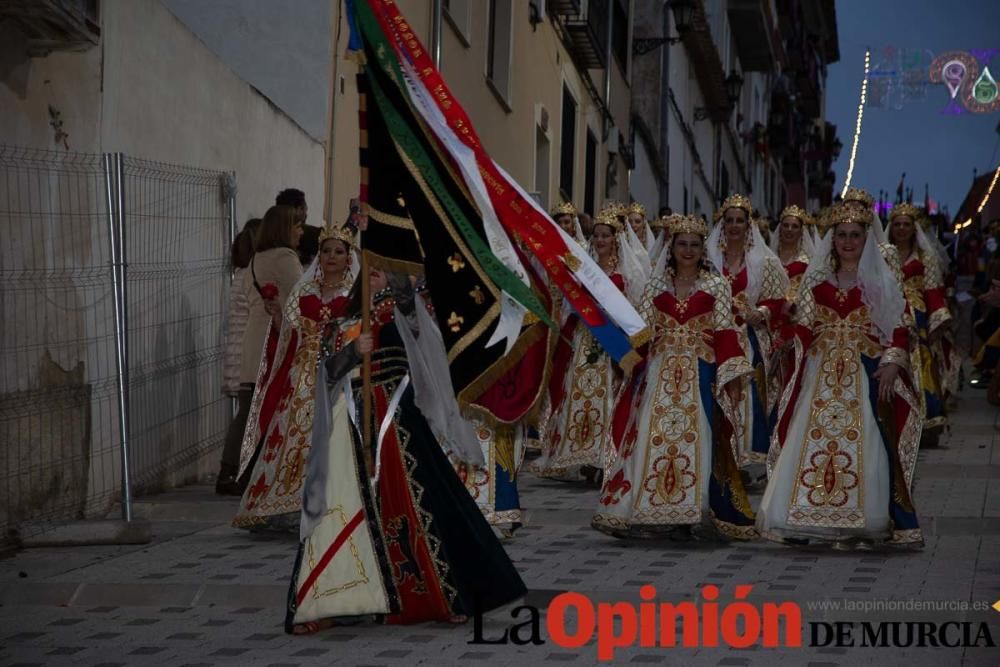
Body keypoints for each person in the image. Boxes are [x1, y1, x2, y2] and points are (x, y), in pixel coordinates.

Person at [287, 268, 526, 632]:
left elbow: (414, 322)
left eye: (383, 272)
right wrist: (353, 351)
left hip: (398, 423)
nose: (376, 278)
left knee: (421, 505)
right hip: (348, 428)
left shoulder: (400, 312)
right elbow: (327, 374)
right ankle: (329, 602)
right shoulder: (342, 323)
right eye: (371, 271)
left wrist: (398, 276)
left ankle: (440, 597)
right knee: (339, 510)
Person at [758, 206, 923, 550]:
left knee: (868, 441)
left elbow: (900, 328)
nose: (848, 242)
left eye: (855, 235)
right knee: (810, 438)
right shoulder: (816, 281)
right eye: (841, 235)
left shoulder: (879, 281)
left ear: (867, 239)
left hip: (865, 371)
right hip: (821, 374)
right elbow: (802, 326)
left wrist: (892, 362)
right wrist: (783, 340)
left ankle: (863, 519)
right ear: (832, 241)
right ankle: (807, 517)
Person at [592, 214, 757, 540]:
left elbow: (724, 332)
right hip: (660, 373)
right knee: (651, 434)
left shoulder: (716, 285)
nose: (688, 250)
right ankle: (647, 509)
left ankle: (688, 512)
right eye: (682, 244)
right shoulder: (656, 284)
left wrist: (732, 376)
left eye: (695, 244)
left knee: (697, 437)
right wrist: (625, 360)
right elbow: (642, 332)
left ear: (703, 249)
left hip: (699, 372)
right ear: (671, 247)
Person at [233, 223, 355, 530]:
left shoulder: (355, 293)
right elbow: (288, 333)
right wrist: (276, 315)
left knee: (333, 435)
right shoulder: (304, 290)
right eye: (325, 251)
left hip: (339, 374)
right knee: (292, 437)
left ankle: (334, 502)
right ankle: (283, 504)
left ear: (348, 258)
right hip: (301, 377)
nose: (331, 257)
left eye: (338, 252)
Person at [533, 205, 645, 483]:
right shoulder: (585, 265)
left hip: (613, 340)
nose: (600, 241)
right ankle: (582, 453)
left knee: (610, 393)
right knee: (579, 392)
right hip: (586, 337)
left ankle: (603, 457)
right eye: (597, 236)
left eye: (606, 236)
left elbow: (635, 306)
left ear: (615, 238)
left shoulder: (627, 270)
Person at [706, 194, 788, 474]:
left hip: (749, 337)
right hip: (716, 335)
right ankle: (719, 452)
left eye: (739, 220)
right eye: (729, 220)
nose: (734, 226)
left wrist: (761, 312)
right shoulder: (708, 258)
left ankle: (747, 456)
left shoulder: (764, 261)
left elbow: (778, 299)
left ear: (748, 225)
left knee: (749, 394)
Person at [230, 205, 305, 498]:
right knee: (270, 410)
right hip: (275, 340)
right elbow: (302, 296)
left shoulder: (255, 259)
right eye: (297, 226)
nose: (301, 231)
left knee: (251, 408)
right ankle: (259, 473)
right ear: (284, 229)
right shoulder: (284, 258)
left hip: (255, 338)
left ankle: (237, 470)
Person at [886, 203, 950, 435]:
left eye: (906, 225)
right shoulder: (883, 255)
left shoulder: (926, 257)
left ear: (914, 229)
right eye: (897, 225)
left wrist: (937, 321)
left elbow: (933, 289)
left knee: (920, 362)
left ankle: (926, 418)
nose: (902, 229)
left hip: (917, 316)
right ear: (890, 228)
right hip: (890, 313)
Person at [216, 218, 262, 495]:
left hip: (241, 353)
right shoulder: (252, 275)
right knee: (246, 415)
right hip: (248, 354)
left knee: (245, 415)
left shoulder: (242, 274)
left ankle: (235, 470)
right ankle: (230, 471)